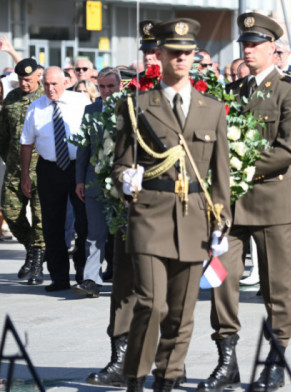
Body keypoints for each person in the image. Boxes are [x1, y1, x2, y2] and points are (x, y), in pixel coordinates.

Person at [111, 18, 231, 391]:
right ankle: (135, 376)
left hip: (194, 217)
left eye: (187, 53)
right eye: (173, 53)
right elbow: (119, 162)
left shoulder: (211, 108)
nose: (181, 59)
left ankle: (167, 378)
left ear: (194, 56)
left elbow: (220, 172)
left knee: (181, 313)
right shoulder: (137, 105)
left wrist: (222, 218)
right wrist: (124, 179)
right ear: (158, 56)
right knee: (151, 303)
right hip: (150, 214)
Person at [201, 13, 291, 392]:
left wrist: (237, 169)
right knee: (221, 281)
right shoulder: (234, 89)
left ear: (273, 49)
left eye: (255, 45)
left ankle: (275, 361)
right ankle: (226, 360)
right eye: (244, 45)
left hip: (271, 202)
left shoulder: (290, 89)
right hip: (231, 207)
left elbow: (290, 148)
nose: (248, 51)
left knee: (278, 287)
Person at [85, 21, 163, 387]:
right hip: (130, 207)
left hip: (172, 208)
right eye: (146, 51)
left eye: (156, 50)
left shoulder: (189, 93)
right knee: (123, 285)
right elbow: (111, 151)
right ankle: (119, 359)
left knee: (166, 294)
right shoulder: (125, 96)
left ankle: (166, 364)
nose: (150, 57)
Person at [19, 66, 90, 292]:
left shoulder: (81, 102)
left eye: (55, 84)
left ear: (65, 83)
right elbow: (26, 144)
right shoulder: (36, 107)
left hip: (77, 168)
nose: (50, 89)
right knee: (52, 225)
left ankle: (83, 273)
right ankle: (59, 278)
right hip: (49, 169)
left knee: (84, 223)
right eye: (47, 84)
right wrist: (25, 176)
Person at [72, 67, 123, 299]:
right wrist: (80, 180)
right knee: (95, 234)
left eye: (110, 86)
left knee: (125, 234)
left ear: (119, 86)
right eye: (102, 86)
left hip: (123, 184)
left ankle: (126, 279)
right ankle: (92, 280)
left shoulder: (130, 107)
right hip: (95, 182)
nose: (106, 91)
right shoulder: (90, 110)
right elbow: (84, 147)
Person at [0, 58, 46, 285]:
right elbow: (3, 134)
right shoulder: (12, 98)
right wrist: (9, 159)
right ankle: (31, 248)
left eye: (27, 79)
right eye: (20, 79)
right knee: (10, 211)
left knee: (40, 217)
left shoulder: (46, 98)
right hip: (14, 167)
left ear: (38, 74)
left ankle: (37, 262)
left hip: (41, 168)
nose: (24, 84)